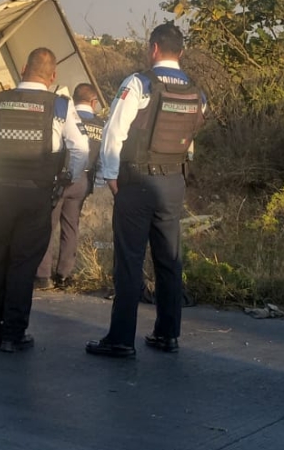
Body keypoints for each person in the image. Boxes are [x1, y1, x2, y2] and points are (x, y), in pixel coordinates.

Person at [86, 23, 205, 359]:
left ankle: (121, 339)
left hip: (137, 182)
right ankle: (168, 334)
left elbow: (114, 132)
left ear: (153, 49)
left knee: (129, 260)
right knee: (169, 259)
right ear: (180, 52)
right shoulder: (197, 92)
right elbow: (192, 132)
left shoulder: (139, 83)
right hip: (174, 183)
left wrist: (109, 176)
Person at [0, 48, 89, 353]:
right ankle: (13, 335)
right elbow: (81, 149)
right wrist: (68, 179)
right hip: (36, 195)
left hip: (1, 194)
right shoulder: (60, 105)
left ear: (23, 68)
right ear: (53, 76)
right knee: (23, 264)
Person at [36, 83, 103, 290]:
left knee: (47, 225)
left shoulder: (67, 118)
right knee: (71, 227)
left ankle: (42, 276)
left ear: (74, 100)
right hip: (83, 181)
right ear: (93, 102)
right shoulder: (102, 124)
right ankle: (64, 275)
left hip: (61, 178)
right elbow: (103, 158)